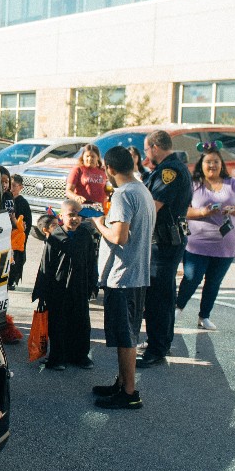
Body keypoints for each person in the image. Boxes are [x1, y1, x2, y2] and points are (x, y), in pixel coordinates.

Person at [90, 146, 155, 409]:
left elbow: (119, 237)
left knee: (126, 337)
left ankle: (129, 393)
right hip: (137, 272)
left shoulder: (123, 194)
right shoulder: (142, 189)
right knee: (125, 333)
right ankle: (122, 382)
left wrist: (97, 222)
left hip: (124, 275)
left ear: (109, 168)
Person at [176, 143, 235, 331]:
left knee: (214, 281)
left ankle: (204, 316)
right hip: (198, 243)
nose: (212, 165)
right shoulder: (193, 184)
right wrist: (201, 212)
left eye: (216, 161)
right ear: (201, 164)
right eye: (208, 162)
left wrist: (234, 209)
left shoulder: (233, 183)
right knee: (192, 278)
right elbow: (182, 210)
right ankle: (177, 309)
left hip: (226, 244)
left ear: (221, 164)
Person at [137, 130, 194, 368]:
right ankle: (159, 341)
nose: (146, 154)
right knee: (165, 295)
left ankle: (157, 348)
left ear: (155, 147)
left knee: (158, 298)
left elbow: (153, 206)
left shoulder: (169, 172)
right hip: (168, 241)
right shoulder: (169, 168)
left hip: (163, 243)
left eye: (146, 149)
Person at [31, 200, 99, 370]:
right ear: (61, 216)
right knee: (58, 323)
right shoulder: (55, 237)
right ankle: (58, 358)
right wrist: (42, 293)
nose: (75, 218)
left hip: (80, 287)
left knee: (81, 323)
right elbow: (45, 266)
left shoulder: (85, 236)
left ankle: (80, 356)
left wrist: (93, 284)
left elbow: (91, 262)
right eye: (71, 215)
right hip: (58, 289)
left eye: (78, 215)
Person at [8, 174, 34, 290]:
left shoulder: (22, 202)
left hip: (17, 238)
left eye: (14, 185)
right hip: (7, 235)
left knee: (17, 260)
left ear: (20, 187)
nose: (11, 188)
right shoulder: (5, 198)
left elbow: (27, 222)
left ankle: (12, 281)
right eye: (10, 185)